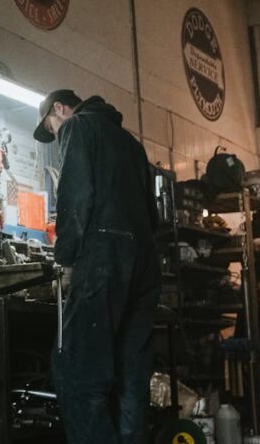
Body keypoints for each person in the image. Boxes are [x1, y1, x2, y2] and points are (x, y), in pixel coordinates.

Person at [33, 89, 160, 444]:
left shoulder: (78, 126)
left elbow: (75, 196)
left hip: (105, 256)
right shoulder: (131, 144)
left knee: (76, 370)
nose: (56, 134)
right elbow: (153, 217)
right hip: (146, 263)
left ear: (60, 109)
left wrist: (65, 260)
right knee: (131, 379)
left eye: (52, 127)